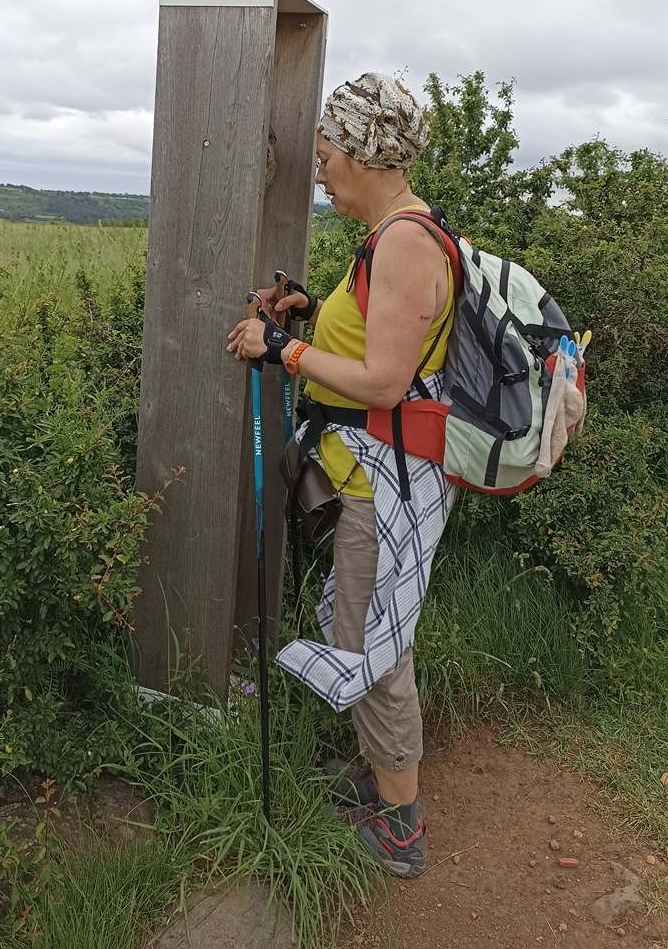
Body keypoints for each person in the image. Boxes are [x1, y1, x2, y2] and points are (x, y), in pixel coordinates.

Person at [226, 72, 458, 877]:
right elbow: (366, 336)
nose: (319, 172)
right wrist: (300, 311)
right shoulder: (401, 233)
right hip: (383, 477)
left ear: (363, 151)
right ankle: (376, 772)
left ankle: (399, 823)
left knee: (374, 648)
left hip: (378, 485)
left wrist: (278, 349)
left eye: (325, 155)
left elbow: (384, 380)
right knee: (368, 629)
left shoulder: (401, 241)